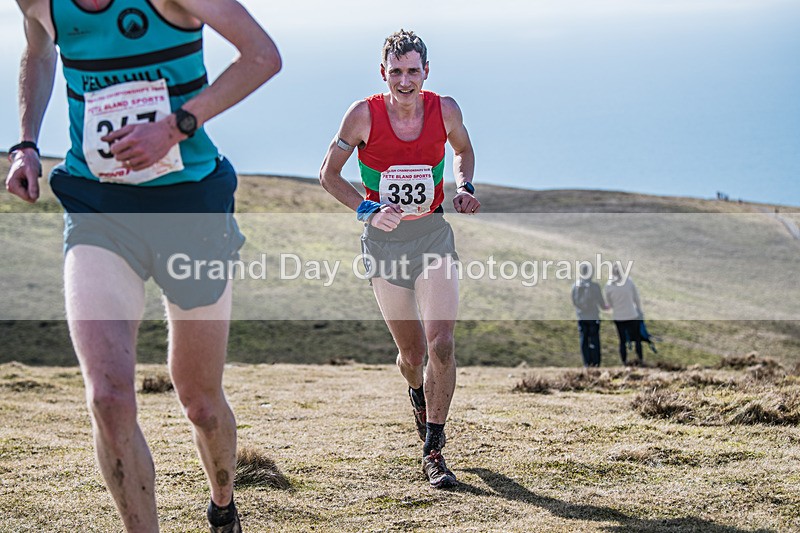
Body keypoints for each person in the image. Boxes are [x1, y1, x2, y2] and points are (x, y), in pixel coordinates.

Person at [7, 1, 281, 531]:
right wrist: (26, 143)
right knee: (109, 398)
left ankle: (223, 504)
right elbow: (38, 51)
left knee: (200, 400)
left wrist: (176, 127)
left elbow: (263, 56)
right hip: (98, 207)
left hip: (190, 204)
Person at [319, 29, 480, 489]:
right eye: (396, 72)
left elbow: (463, 150)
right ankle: (416, 391)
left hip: (431, 234)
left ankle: (433, 449)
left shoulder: (444, 109)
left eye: (413, 71)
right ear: (383, 73)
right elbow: (328, 175)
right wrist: (368, 209)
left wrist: (465, 187)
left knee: (442, 344)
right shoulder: (362, 115)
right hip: (384, 245)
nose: (405, 81)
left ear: (426, 72)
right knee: (412, 355)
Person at [605, 264, 644, 366]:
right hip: (632, 314)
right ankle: (640, 360)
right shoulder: (629, 281)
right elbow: (636, 298)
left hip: (618, 317)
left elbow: (609, 302)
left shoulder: (609, 285)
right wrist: (639, 310)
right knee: (637, 339)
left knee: (622, 341)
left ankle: (624, 362)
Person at [571, 263, 608, 367]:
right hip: (593, 316)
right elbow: (601, 303)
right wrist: (606, 307)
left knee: (584, 340)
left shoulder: (575, 286)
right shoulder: (595, 286)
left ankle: (586, 363)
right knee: (594, 339)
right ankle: (596, 363)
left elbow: (574, 301)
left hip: (581, 317)